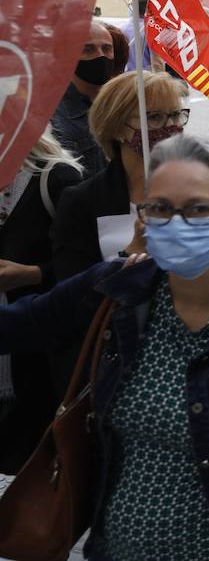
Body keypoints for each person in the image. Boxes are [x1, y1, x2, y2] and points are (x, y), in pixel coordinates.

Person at [0, 135, 209, 558]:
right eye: (160, 209)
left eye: (199, 209)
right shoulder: (115, 293)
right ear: (142, 220)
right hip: (115, 548)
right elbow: (21, 326)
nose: (177, 224)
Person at [52, 71, 190, 282]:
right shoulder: (82, 201)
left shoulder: (196, 192)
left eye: (176, 114)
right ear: (117, 128)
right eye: (154, 117)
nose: (171, 126)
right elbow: (70, 295)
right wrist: (128, 256)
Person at [0, 131, 84, 473]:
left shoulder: (55, 177)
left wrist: (33, 273)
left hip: (35, 359)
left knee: (33, 467)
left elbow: (85, 267)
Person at [51, 17, 119, 173]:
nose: (101, 56)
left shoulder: (121, 103)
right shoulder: (54, 118)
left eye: (107, 49)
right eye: (88, 49)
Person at [120, 0, 162, 73]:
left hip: (126, 78)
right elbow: (157, 63)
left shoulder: (120, 29)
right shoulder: (152, 30)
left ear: (132, 8)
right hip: (146, 79)